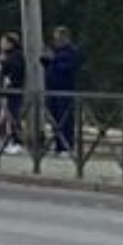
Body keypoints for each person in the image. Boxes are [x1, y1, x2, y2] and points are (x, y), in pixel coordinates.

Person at [44, 25, 84, 157]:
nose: (56, 41)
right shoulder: (56, 51)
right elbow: (48, 66)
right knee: (55, 119)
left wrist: (54, 59)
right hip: (52, 89)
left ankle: (67, 146)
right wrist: (46, 60)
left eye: (59, 38)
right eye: (55, 38)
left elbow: (67, 68)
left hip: (65, 90)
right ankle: (58, 146)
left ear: (65, 38)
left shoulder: (72, 51)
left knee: (65, 120)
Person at [0, 32, 28, 156]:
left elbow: (15, 72)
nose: (1, 44)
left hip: (13, 90)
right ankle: (8, 141)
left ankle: (18, 142)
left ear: (11, 43)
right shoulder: (5, 55)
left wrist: (3, 65)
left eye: (4, 42)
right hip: (5, 90)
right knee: (4, 118)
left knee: (13, 116)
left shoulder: (16, 56)